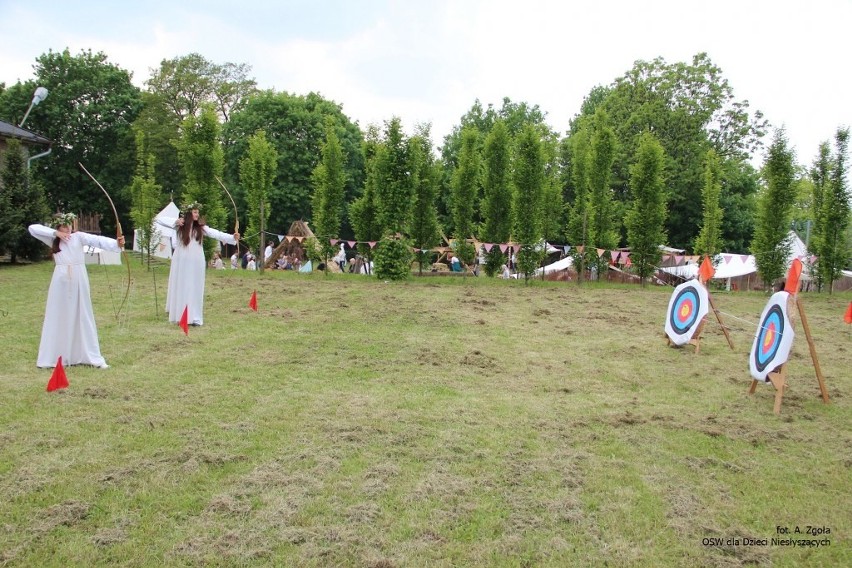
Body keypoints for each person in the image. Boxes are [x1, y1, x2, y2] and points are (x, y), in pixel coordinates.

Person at [28, 212, 125, 369]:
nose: (67, 229)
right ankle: (55, 356)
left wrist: (116, 244)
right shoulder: (53, 239)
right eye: (64, 226)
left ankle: (90, 356)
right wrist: (56, 233)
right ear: (59, 227)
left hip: (79, 279)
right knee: (59, 315)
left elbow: (98, 241)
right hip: (60, 282)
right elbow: (32, 228)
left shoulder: (78, 237)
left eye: (69, 226)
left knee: (83, 314)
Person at [157, 201, 239, 327]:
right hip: (182, 261)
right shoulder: (180, 227)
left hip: (196, 262)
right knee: (183, 286)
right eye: (195, 212)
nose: (197, 214)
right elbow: (159, 220)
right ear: (189, 214)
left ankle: (194, 317)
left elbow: (216, 233)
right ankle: (182, 315)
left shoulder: (201, 228)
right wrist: (176, 221)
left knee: (195, 287)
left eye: (197, 212)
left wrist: (232, 237)